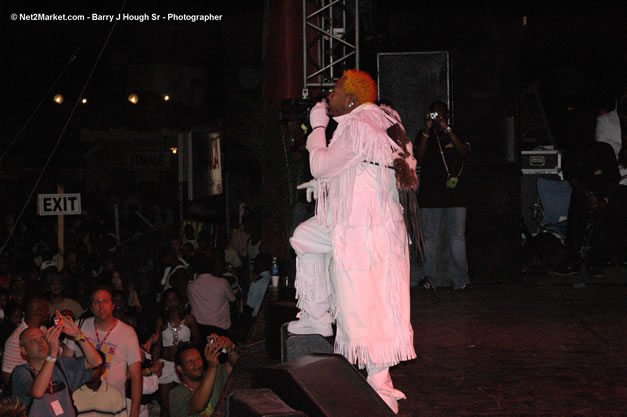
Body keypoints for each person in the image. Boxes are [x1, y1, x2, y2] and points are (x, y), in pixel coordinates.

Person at [287, 69, 416, 413]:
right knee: (304, 238)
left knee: (365, 306)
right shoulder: (383, 119)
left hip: (362, 233)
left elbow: (320, 164)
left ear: (353, 100)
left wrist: (316, 127)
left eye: (335, 91)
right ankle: (316, 314)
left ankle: (381, 390)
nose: (329, 97)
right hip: (355, 224)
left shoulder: (358, 126)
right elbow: (366, 169)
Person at [415, 100, 471, 291]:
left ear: (447, 115)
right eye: (433, 115)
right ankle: (429, 279)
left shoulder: (456, 132)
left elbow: (464, 152)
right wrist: (427, 129)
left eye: (440, 115)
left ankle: (461, 280)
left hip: (456, 195)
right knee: (430, 238)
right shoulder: (425, 134)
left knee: (457, 238)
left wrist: (447, 129)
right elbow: (419, 157)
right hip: (431, 195)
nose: (437, 119)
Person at [63, 287, 143, 417]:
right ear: (91, 307)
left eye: (105, 301)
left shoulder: (127, 332)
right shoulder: (79, 326)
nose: (101, 306)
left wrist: (134, 412)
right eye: (96, 302)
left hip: (113, 403)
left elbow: (136, 375)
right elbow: (65, 364)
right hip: (81, 401)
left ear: (113, 306)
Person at [11, 311, 103, 416]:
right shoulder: (21, 372)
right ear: (24, 350)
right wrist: (52, 355)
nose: (41, 342)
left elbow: (96, 361)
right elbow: (38, 392)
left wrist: (78, 335)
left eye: (43, 338)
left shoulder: (61, 364)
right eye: (34, 341)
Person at [554, 140, 620, 276]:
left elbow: (614, 178)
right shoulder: (572, 152)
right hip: (583, 194)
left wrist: (605, 199)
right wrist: (588, 195)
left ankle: (596, 261)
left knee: (607, 214)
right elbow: (573, 180)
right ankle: (573, 259)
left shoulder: (605, 150)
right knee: (577, 208)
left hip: (604, 193)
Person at [153, 288, 200, 417]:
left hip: (184, 366)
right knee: (165, 404)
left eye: (174, 300)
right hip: (166, 364)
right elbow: (157, 345)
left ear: (179, 301)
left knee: (185, 402)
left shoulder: (189, 319)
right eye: (168, 300)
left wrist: (187, 345)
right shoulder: (161, 321)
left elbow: (197, 340)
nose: (171, 303)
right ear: (165, 303)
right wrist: (154, 364)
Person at [169, 336, 239, 417]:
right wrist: (212, 367)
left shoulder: (215, 374)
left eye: (198, 359)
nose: (196, 364)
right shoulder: (176, 394)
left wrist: (230, 348)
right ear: (180, 369)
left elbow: (237, 366)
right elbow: (197, 406)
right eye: (190, 362)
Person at [2, 297, 51, 387]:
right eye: (47, 311)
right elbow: (7, 377)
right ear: (40, 312)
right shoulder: (15, 340)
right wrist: (31, 390)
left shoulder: (43, 329)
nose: (49, 314)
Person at [187, 254, 235, 342]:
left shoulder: (191, 286)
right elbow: (232, 298)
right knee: (221, 352)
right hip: (220, 329)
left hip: (200, 329)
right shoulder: (222, 283)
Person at [72, 351, 128, 417]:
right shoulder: (73, 393)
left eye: (94, 368)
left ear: (103, 370)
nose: (90, 371)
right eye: (88, 367)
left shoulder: (115, 395)